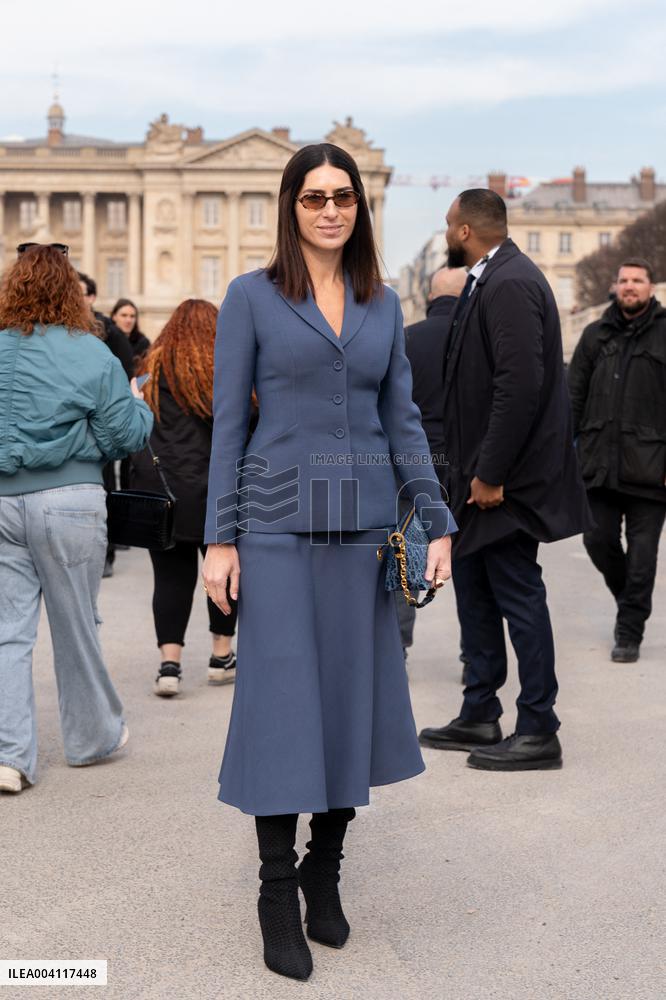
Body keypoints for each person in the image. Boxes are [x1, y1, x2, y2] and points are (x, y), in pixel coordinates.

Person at [202, 143, 456, 981]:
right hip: (275, 526)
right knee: (282, 706)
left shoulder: (382, 303)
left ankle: (325, 868)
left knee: (352, 700)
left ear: (358, 207)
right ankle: (277, 890)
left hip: (363, 530)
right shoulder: (250, 296)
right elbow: (229, 425)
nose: (330, 209)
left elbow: (403, 421)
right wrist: (219, 538)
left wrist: (435, 519)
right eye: (314, 197)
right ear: (292, 206)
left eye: (342, 196)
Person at [418, 190, 591, 772]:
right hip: (475, 479)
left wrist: (490, 473)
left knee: (518, 595)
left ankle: (539, 727)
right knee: (475, 592)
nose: (447, 233)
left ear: (465, 230)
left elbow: (519, 385)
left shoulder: (511, 281)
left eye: (449, 225)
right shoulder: (490, 279)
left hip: (503, 483)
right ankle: (479, 711)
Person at [0, 244, 152, 794]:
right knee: (77, 625)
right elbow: (124, 437)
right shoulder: (90, 352)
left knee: (7, 633)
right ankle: (91, 739)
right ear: (72, 292)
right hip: (70, 497)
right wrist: (137, 404)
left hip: (3, 501)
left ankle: (9, 755)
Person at [130, 299, 241, 696]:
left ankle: (170, 665)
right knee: (222, 575)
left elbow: (131, 429)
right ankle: (220, 656)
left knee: (169, 580)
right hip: (216, 493)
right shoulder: (223, 371)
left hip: (162, 493)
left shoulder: (146, 375)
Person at [568, 258, 666, 663]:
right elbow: (573, 397)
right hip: (599, 465)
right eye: (624, 280)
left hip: (651, 470)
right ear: (616, 285)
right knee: (597, 540)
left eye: (637, 280)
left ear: (650, 287)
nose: (629, 286)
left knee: (642, 560)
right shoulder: (595, 334)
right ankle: (629, 602)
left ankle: (629, 632)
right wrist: (565, 456)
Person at [402, 266, 468, 676]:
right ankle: (474, 656)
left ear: (429, 297)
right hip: (468, 464)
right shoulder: (479, 339)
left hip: (416, 462)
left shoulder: (406, 339)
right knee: (471, 563)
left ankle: (397, 650)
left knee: (405, 554)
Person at [78, 272, 134, 575]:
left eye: (81, 292)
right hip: (73, 427)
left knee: (105, 488)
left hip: (101, 425)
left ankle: (107, 552)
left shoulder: (108, 331)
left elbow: (126, 375)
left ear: (92, 297)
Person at [110, 297, 151, 370]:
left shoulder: (143, 343)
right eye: (124, 315)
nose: (128, 320)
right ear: (114, 317)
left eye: (132, 316)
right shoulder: (105, 342)